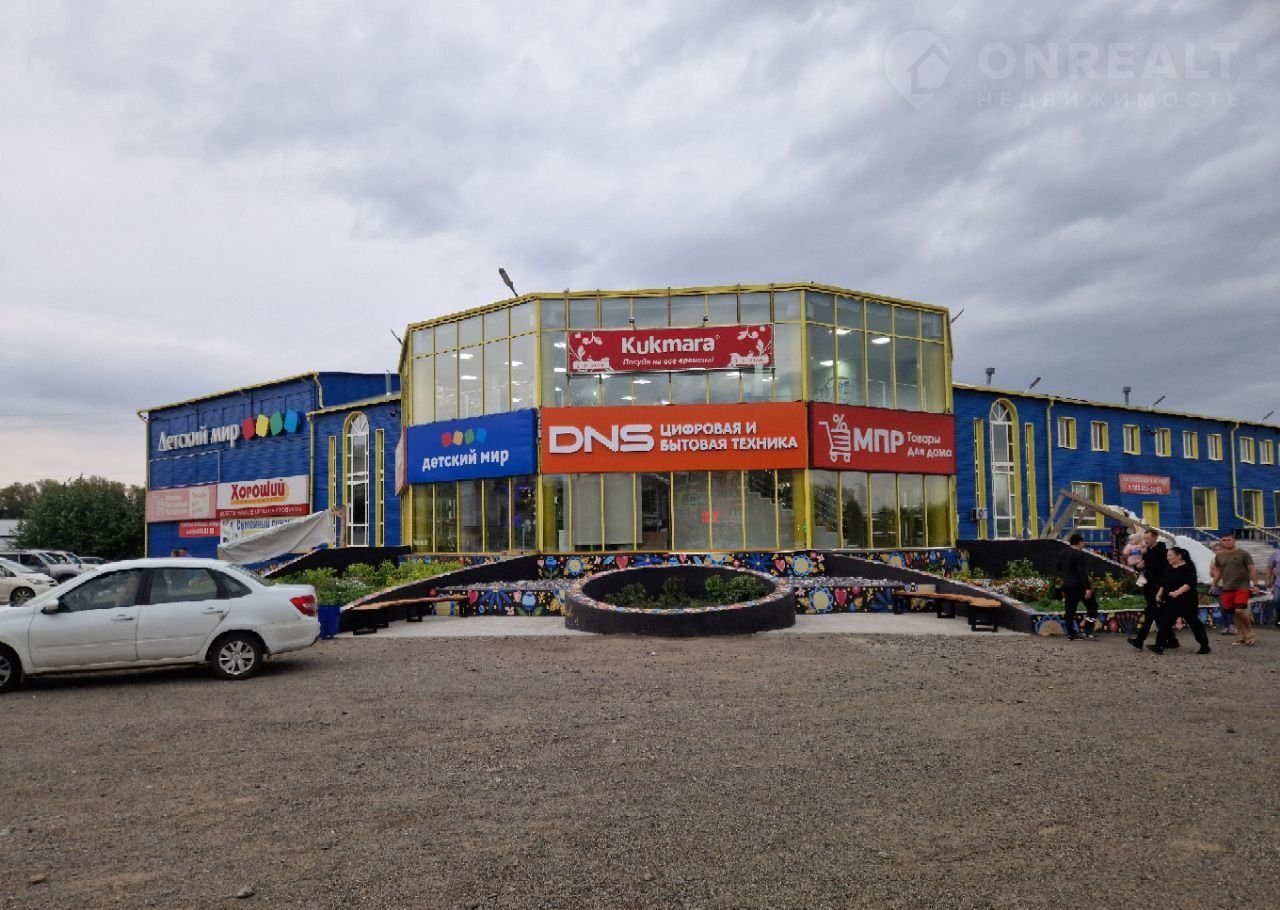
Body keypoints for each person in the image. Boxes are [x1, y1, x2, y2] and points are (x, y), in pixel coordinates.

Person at [1149, 547, 1211, 654]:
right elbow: (1163, 583)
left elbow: (1189, 583)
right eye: (1167, 556)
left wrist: (1177, 592)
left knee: (1193, 622)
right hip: (1171, 601)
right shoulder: (1169, 568)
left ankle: (1204, 645)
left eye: (1170, 555)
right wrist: (1159, 593)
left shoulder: (1188, 568)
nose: (1168, 558)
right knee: (1165, 622)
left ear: (1179, 556)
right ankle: (1159, 645)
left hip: (1186, 601)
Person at [1128, 529, 1177, 650]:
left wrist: (1162, 586)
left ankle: (1140, 640)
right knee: (1157, 614)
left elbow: (1166, 570)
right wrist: (1137, 567)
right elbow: (1143, 566)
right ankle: (1172, 640)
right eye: (1144, 539)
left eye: (1148, 539)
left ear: (1155, 538)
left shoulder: (1162, 551)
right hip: (1149, 586)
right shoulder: (1147, 551)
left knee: (1150, 612)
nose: (1146, 541)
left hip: (1157, 587)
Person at [1211, 531, 1258, 646]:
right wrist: (1214, 584)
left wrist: (1255, 584)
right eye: (1224, 540)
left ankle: (1250, 632)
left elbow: (1251, 568)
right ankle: (1242, 636)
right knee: (1234, 613)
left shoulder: (1243, 554)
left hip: (1242, 586)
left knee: (1240, 610)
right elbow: (1218, 571)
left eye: (1229, 540)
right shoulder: (1219, 556)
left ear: (1234, 540)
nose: (1227, 542)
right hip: (1227, 587)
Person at [1057, 533, 1099, 640]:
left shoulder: (1062, 553)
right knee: (1093, 607)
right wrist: (1088, 588)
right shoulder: (1079, 554)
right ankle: (1088, 629)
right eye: (1082, 542)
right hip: (1079, 586)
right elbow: (1082, 572)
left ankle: (1071, 634)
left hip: (1067, 585)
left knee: (1070, 610)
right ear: (1079, 542)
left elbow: (1058, 568)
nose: (1083, 545)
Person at [1266, 541, 1280, 627]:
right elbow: (1269, 567)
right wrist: (1268, 580)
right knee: (1276, 600)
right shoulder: (1275, 554)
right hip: (1278, 583)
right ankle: (1279, 614)